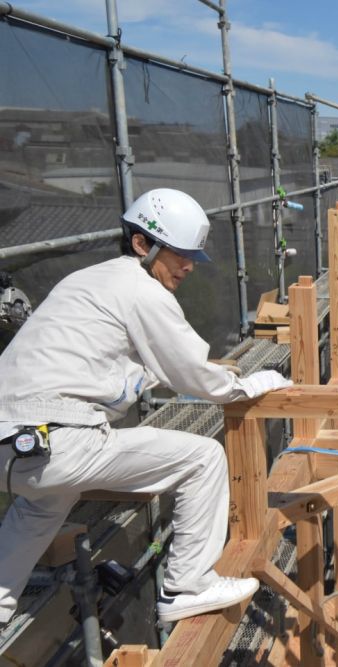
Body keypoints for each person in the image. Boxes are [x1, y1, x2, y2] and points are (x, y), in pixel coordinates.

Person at [0, 188, 292, 627]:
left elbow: (119, 365)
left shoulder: (86, 281)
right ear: (142, 243)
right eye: (180, 254)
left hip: (17, 446)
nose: (189, 265)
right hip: (60, 439)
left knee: (42, 503)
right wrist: (246, 385)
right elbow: (192, 374)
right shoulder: (140, 289)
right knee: (203, 458)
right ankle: (188, 585)